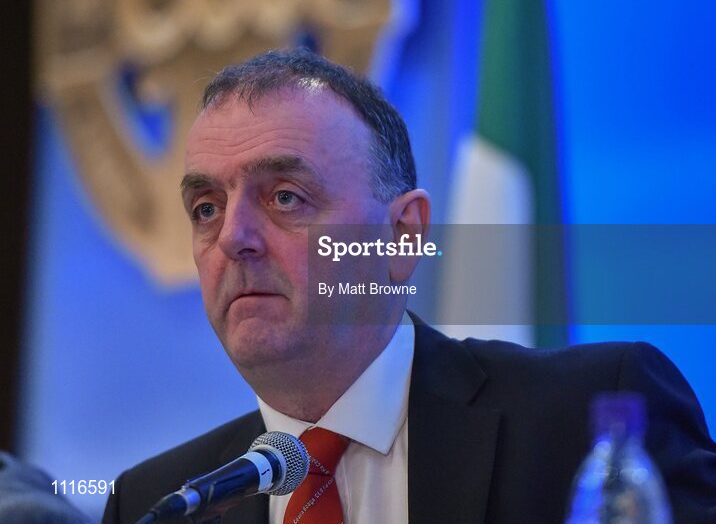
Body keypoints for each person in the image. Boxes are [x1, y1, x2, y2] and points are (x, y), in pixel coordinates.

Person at [103, 49, 716, 524]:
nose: (234, 236)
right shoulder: (156, 503)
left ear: (401, 239)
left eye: (285, 197)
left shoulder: (586, 422)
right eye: (206, 208)